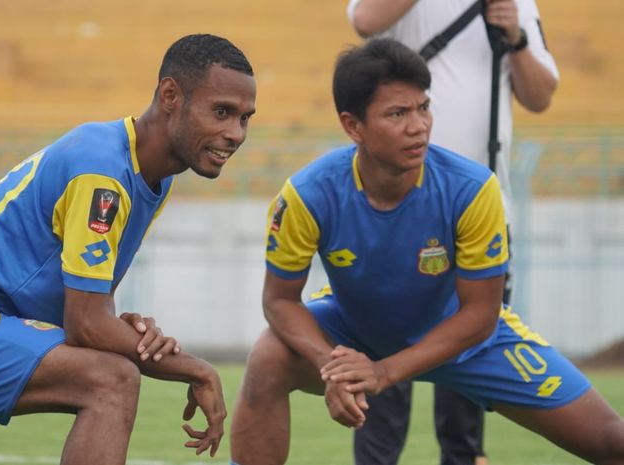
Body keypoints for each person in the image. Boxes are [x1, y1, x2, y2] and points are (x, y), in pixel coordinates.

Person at [228, 38, 624, 465]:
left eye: (423, 107)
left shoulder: (472, 190)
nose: (418, 126)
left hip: (466, 341)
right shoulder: (306, 196)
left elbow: (480, 316)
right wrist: (333, 368)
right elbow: (279, 300)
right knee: (268, 357)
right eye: (397, 113)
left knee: (610, 442)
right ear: (353, 125)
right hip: (355, 332)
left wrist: (383, 372)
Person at [0, 33, 256, 465]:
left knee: (112, 367)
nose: (235, 133)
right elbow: (84, 324)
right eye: (222, 112)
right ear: (170, 94)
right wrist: (197, 369)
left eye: (245, 118)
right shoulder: (105, 175)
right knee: (111, 381)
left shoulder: (148, 175)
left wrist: (121, 328)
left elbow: (90, 306)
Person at [345, 0, 559, 463]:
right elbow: (364, 21)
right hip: (397, 208)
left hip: (479, 209)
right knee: (384, 360)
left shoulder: (513, 4)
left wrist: (516, 39)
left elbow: (541, 96)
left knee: (468, 357)